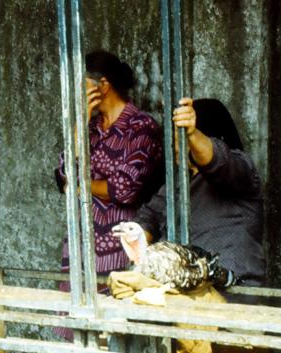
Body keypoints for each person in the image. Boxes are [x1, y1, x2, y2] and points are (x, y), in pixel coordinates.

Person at [129, 97, 266, 294]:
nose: (175, 147)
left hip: (233, 292)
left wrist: (193, 134)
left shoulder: (242, 171)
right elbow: (149, 215)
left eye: (181, 139)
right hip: (183, 290)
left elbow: (219, 162)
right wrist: (137, 236)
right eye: (175, 139)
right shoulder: (178, 181)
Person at [55, 50, 163, 284]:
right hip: (80, 247)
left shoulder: (142, 128)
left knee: (115, 314)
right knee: (70, 317)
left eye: (80, 84)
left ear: (102, 85)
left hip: (122, 248)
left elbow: (124, 190)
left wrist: (79, 185)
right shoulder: (90, 128)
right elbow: (62, 175)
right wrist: (79, 125)